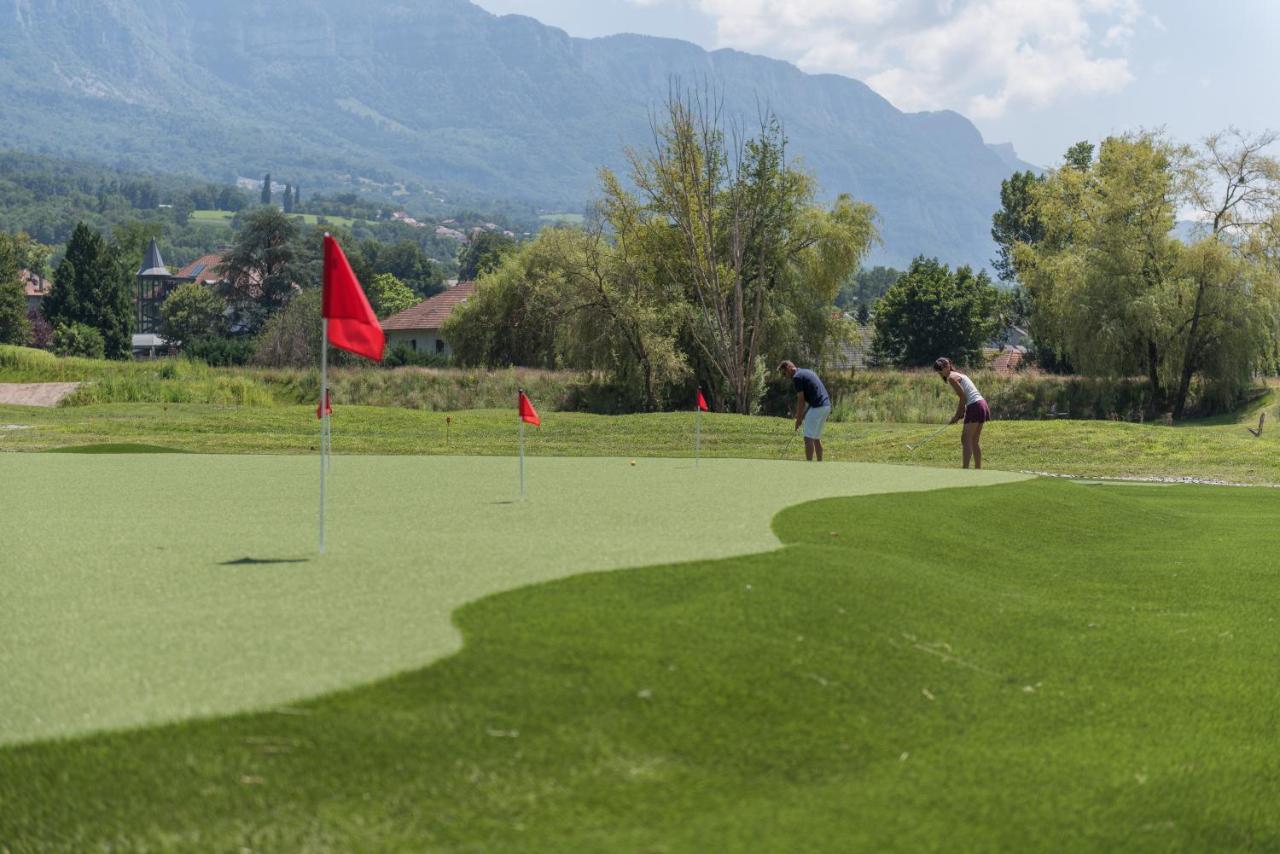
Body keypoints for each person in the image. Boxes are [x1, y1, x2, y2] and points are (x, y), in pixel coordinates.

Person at [934, 357, 989, 469]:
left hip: (975, 406)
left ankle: (965, 469)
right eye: (939, 369)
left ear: (948, 365)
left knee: (966, 438)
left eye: (942, 368)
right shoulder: (959, 375)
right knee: (974, 441)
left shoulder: (951, 378)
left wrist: (956, 415)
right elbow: (964, 398)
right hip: (982, 404)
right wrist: (961, 412)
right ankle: (977, 469)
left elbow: (962, 397)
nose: (941, 371)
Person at [778, 360, 831, 461]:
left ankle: (809, 466)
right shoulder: (806, 371)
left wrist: (798, 419)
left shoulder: (797, 377)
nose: (785, 376)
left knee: (808, 438)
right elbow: (812, 396)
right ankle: (820, 463)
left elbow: (801, 400)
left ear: (789, 367)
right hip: (826, 406)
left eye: (784, 373)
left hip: (818, 407)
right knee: (815, 437)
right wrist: (802, 415)